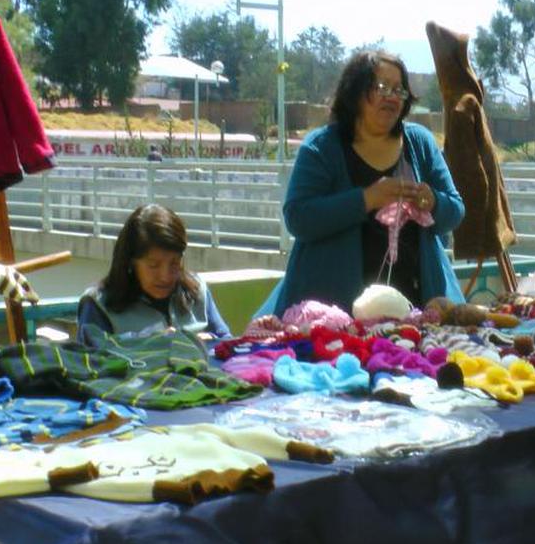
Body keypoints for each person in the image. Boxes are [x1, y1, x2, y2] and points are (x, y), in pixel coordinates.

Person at [257, 50, 466, 316]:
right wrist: (367, 199)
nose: (392, 96)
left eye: (399, 90)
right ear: (355, 91)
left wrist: (433, 201)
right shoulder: (321, 147)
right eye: (381, 87)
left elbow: (455, 211)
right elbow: (298, 218)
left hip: (417, 314)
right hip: (331, 317)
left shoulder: (420, 143)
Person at [78, 204, 230, 344]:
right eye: (153, 265)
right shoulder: (98, 304)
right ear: (131, 261)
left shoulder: (197, 290)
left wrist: (210, 341)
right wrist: (147, 345)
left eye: (175, 263)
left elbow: (227, 342)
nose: (165, 276)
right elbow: (90, 363)